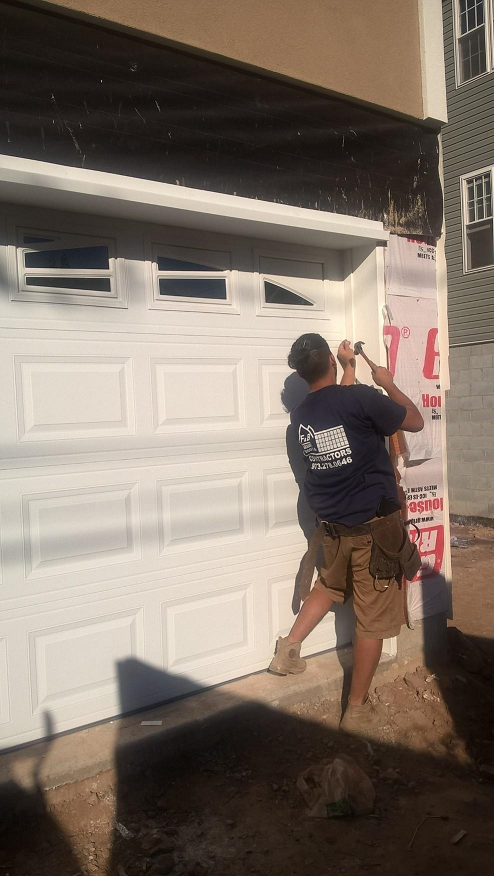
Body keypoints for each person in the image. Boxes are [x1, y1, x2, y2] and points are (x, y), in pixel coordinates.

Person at [268, 333, 424, 732]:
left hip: (332, 531)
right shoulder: (361, 400)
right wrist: (387, 383)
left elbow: (339, 409)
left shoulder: (301, 417)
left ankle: (287, 650)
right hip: (373, 532)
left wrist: (349, 367)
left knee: (329, 587)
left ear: (303, 375)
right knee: (371, 620)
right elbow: (415, 421)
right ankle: (356, 709)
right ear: (331, 365)